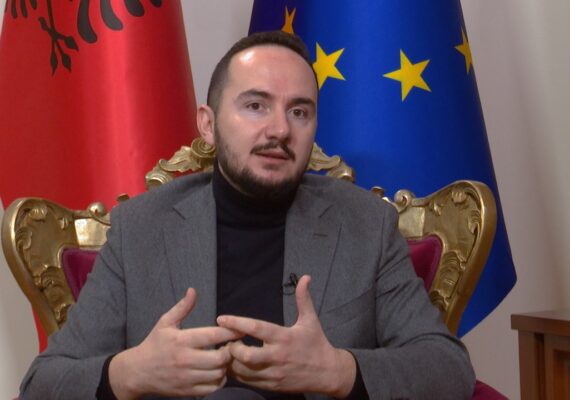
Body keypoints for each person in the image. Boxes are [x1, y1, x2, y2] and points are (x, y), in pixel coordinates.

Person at [20, 31, 475, 400]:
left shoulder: (365, 225)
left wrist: (338, 370)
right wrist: (129, 373)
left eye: (299, 111)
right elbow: (43, 383)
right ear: (208, 124)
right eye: (256, 105)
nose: (280, 129)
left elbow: (448, 369)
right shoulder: (140, 228)